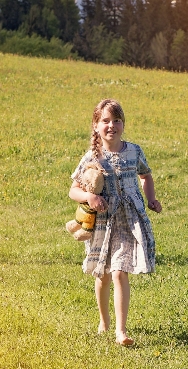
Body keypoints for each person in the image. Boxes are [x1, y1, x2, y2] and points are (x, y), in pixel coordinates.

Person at [69, 99, 162, 347]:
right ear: (96, 126)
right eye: (106, 121)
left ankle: (121, 331)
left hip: (128, 220)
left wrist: (151, 199)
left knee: (120, 271)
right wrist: (89, 196)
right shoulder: (92, 156)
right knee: (103, 274)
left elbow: (146, 176)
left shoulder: (134, 151)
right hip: (103, 222)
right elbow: (73, 190)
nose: (112, 125)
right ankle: (104, 320)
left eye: (117, 120)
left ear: (123, 124)